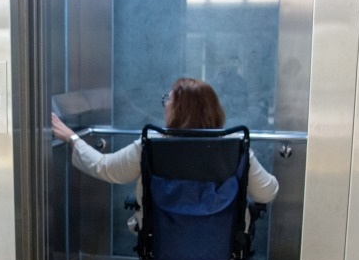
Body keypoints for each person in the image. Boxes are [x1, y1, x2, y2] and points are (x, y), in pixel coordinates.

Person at [51, 77, 278, 232]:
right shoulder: (236, 148)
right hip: (222, 243)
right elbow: (267, 193)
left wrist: (73, 138)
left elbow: (105, 167)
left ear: (179, 110)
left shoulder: (151, 145)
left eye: (167, 100)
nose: (164, 106)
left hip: (162, 240)